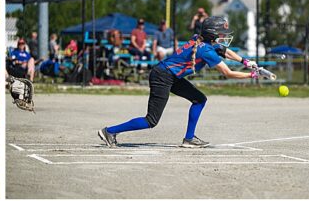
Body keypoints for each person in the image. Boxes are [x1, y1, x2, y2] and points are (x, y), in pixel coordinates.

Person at [98, 16, 275, 148]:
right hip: (162, 76)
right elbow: (227, 73)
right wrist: (253, 75)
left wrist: (246, 62)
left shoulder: (201, 40)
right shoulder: (206, 51)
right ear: (212, 34)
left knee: (199, 99)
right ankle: (110, 131)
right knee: (151, 120)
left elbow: (225, 51)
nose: (223, 36)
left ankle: (189, 139)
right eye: (221, 33)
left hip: (171, 76)